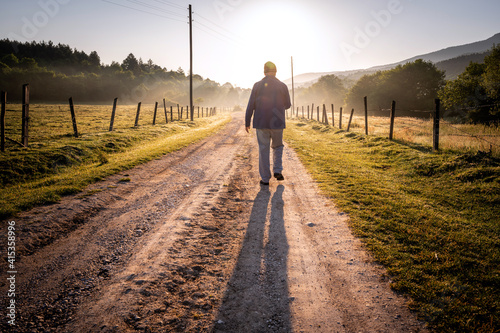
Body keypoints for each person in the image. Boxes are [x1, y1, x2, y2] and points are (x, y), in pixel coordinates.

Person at [245, 61, 291, 186]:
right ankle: (277, 170)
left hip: (261, 122)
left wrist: (247, 121)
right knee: (277, 146)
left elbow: (251, 105)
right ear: (276, 71)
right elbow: (288, 105)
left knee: (263, 149)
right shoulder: (282, 86)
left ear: (264, 72)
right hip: (277, 122)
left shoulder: (257, 85)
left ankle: (265, 179)